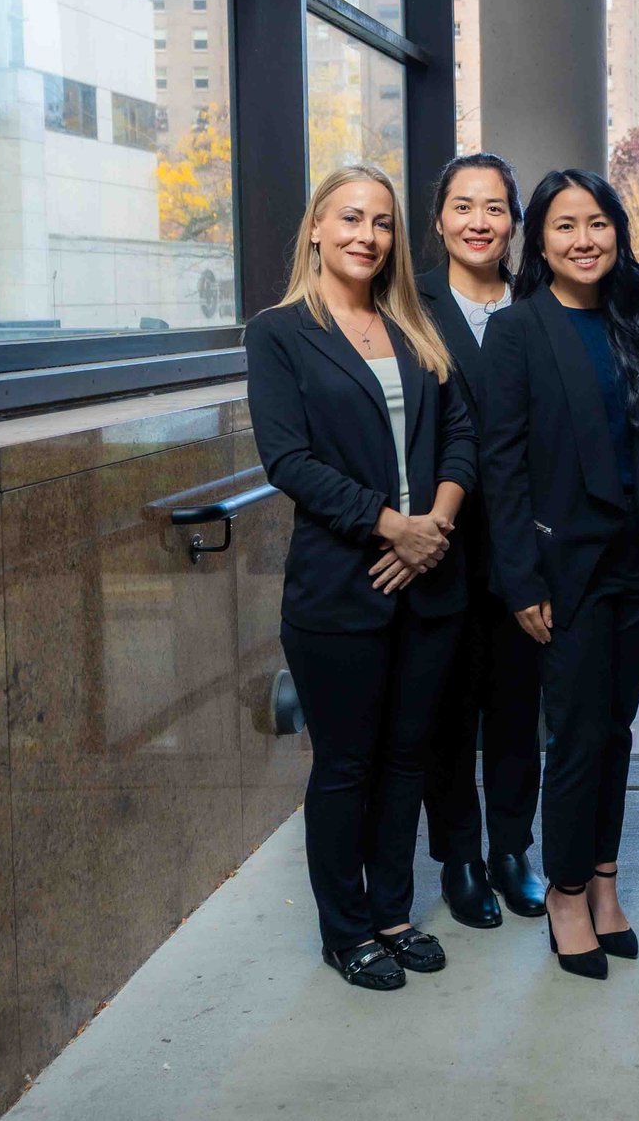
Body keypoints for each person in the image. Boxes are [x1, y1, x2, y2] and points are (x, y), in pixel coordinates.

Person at [246, 164, 476, 992]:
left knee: (408, 758)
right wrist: (392, 527)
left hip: (429, 581)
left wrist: (435, 527)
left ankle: (392, 914)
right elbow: (289, 461)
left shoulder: (413, 325)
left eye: (381, 222)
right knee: (347, 765)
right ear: (316, 227)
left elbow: (461, 434)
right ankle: (345, 931)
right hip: (342, 587)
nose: (366, 236)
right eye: (349, 218)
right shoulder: (279, 333)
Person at [479, 169, 639, 980]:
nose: (584, 239)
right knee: (573, 736)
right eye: (565, 225)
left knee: (614, 729)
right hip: (563, 569)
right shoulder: (517, 331)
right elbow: (502, 467)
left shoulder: (632, 320)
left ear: (617, 233)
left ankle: (605, 879)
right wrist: (521, 579)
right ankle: (566, 893)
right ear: (539, 240)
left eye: (598, 223)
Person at [416, 152, 548, 928]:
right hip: (442, 542)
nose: (479, 222)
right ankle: (459, 857)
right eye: (463, 206)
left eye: (495, 208)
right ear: (439, 220)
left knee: (517, 708)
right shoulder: (409, 303)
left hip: (524, 543)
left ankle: (511, 850)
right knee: (448, 710)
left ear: (514, 223)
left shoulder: (538, 300)